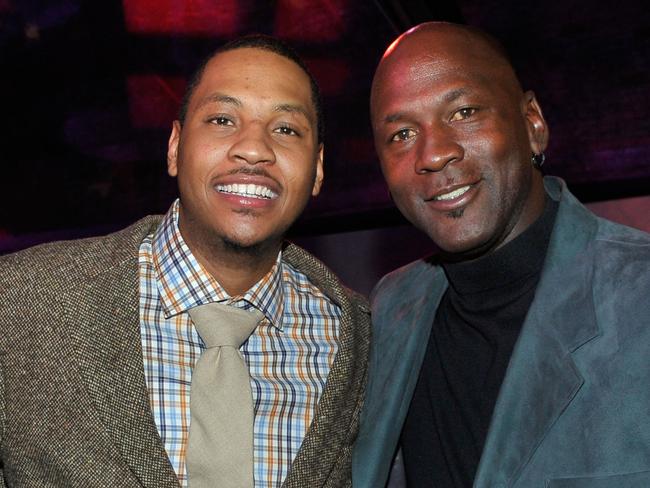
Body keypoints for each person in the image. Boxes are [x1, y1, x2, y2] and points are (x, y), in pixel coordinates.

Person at [0, 35, 370, 487]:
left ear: (317, 169)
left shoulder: (360, 337)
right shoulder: (22, 303)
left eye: (287, 129)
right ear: (175, 147)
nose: (254, 149)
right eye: (222, 119)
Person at [353, 22, 650, 488]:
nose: (434, 154)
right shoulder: (389, 310)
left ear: (532, 123)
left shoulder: (639, 297)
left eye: (464, 111)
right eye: (402, 135)